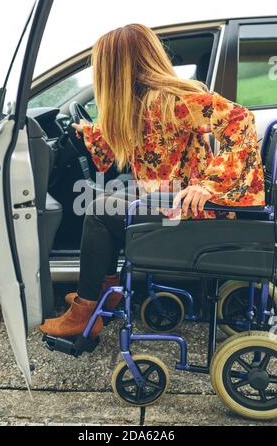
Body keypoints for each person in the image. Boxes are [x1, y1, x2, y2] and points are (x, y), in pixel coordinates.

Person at [40, 24, 265, 339]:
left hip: (193, 213)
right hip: (172, 206)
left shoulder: (170, 98)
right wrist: (88, 132)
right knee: (109, 206)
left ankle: (84, 309)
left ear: (116, 68)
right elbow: (122, 143)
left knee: (99, 210)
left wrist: (209, 185)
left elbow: (240, 120)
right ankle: (104, 293)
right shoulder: (143, 102)